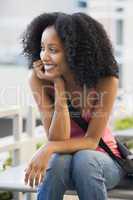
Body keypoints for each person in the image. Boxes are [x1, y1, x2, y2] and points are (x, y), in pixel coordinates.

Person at [22, 12, 125, 200]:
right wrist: (59, 87)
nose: (44, 56)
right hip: (64, 164)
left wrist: (48, 148)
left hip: (102, 162)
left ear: (74, 52)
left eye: (53, 50)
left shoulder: (106, 80)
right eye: (43, 48)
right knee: (59, 161)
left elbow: (91, 141)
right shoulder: (39, 80)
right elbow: (56, 138)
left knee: (84, 158)